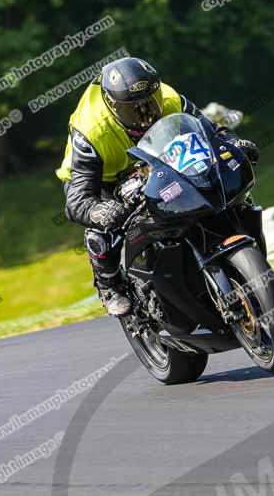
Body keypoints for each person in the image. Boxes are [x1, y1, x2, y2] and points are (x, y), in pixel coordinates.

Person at [56, 57, 259, 316]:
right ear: (111, 105)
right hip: (107, 177)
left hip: (160, 156)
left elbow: (213, 132)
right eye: (132, 108)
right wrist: (98, 211)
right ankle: (110, 286)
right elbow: (78, 198)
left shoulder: (172, 99)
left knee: (216, 182)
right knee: (104, 226)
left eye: (150, 101)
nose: (145, 113)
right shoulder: (91, 129)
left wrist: (234, 143)